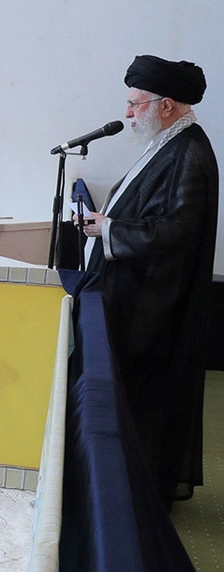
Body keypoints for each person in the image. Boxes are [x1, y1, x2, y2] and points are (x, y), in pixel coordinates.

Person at [80, 55, 218, 507]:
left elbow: (178, 231)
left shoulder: (191, 153)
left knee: (148, 403)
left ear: (166, 105)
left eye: (135, 104)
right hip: (138, 296)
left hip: (157, 309)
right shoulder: (168, 143)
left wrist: (111, 230)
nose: (127, 113)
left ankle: (138, 496)